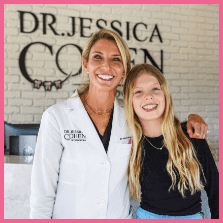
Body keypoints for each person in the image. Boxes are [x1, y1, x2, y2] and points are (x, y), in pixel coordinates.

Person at [30, 29, 208, 219]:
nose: (106, 66)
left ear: (124, 70)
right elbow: (42, 192)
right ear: (85, 64)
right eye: (98, 57)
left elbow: (161, 125)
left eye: (116, 59)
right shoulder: (57, 117)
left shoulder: (131, 117)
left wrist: (192, 119)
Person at [123, 63, 219, 219]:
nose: (149, 96)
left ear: (165, 94)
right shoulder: (131, 144)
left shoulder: (190, 135)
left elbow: (216, 189)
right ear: (129, 101)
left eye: (155, 89)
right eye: (138, 91)